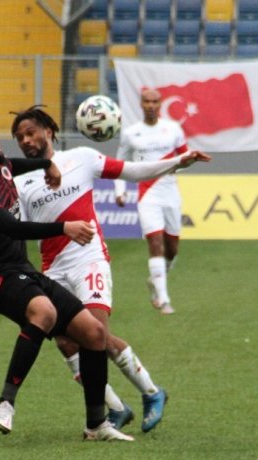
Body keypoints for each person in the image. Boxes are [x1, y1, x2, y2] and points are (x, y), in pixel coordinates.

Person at [11, 106, 210, 432]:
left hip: (88, 259)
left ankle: (152, 392)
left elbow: (133, 171)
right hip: (53, 268)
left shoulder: (81, 158)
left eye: (31, 132)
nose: (25, 140)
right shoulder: (20, 181)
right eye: (19, 137)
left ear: (48, 131)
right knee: (65, 342)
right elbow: (12, 224)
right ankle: (115, 408)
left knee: (97, 336)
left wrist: (177, 161)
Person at [0, 115, 133, 441]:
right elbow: (10, 226)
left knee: (92, 332)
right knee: (44, 312)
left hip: (21, 270)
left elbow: (12, 165)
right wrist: (63, 227)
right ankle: (6, 403)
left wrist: (47, 164)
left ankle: (96, 426)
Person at [114, 87, 189, 315]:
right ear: (141, 104)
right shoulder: (131, 133)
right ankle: (163, 299)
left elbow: (185, 156)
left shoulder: (173, 129)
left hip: (170, 193)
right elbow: (120, 163)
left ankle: (156, 280)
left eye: (155, 102)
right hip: (147, 195)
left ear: (160, 103)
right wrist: (120, 190)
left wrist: (184, 162)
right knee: (155, 243)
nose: (151, 106)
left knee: (172, 249)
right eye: (147, 101)